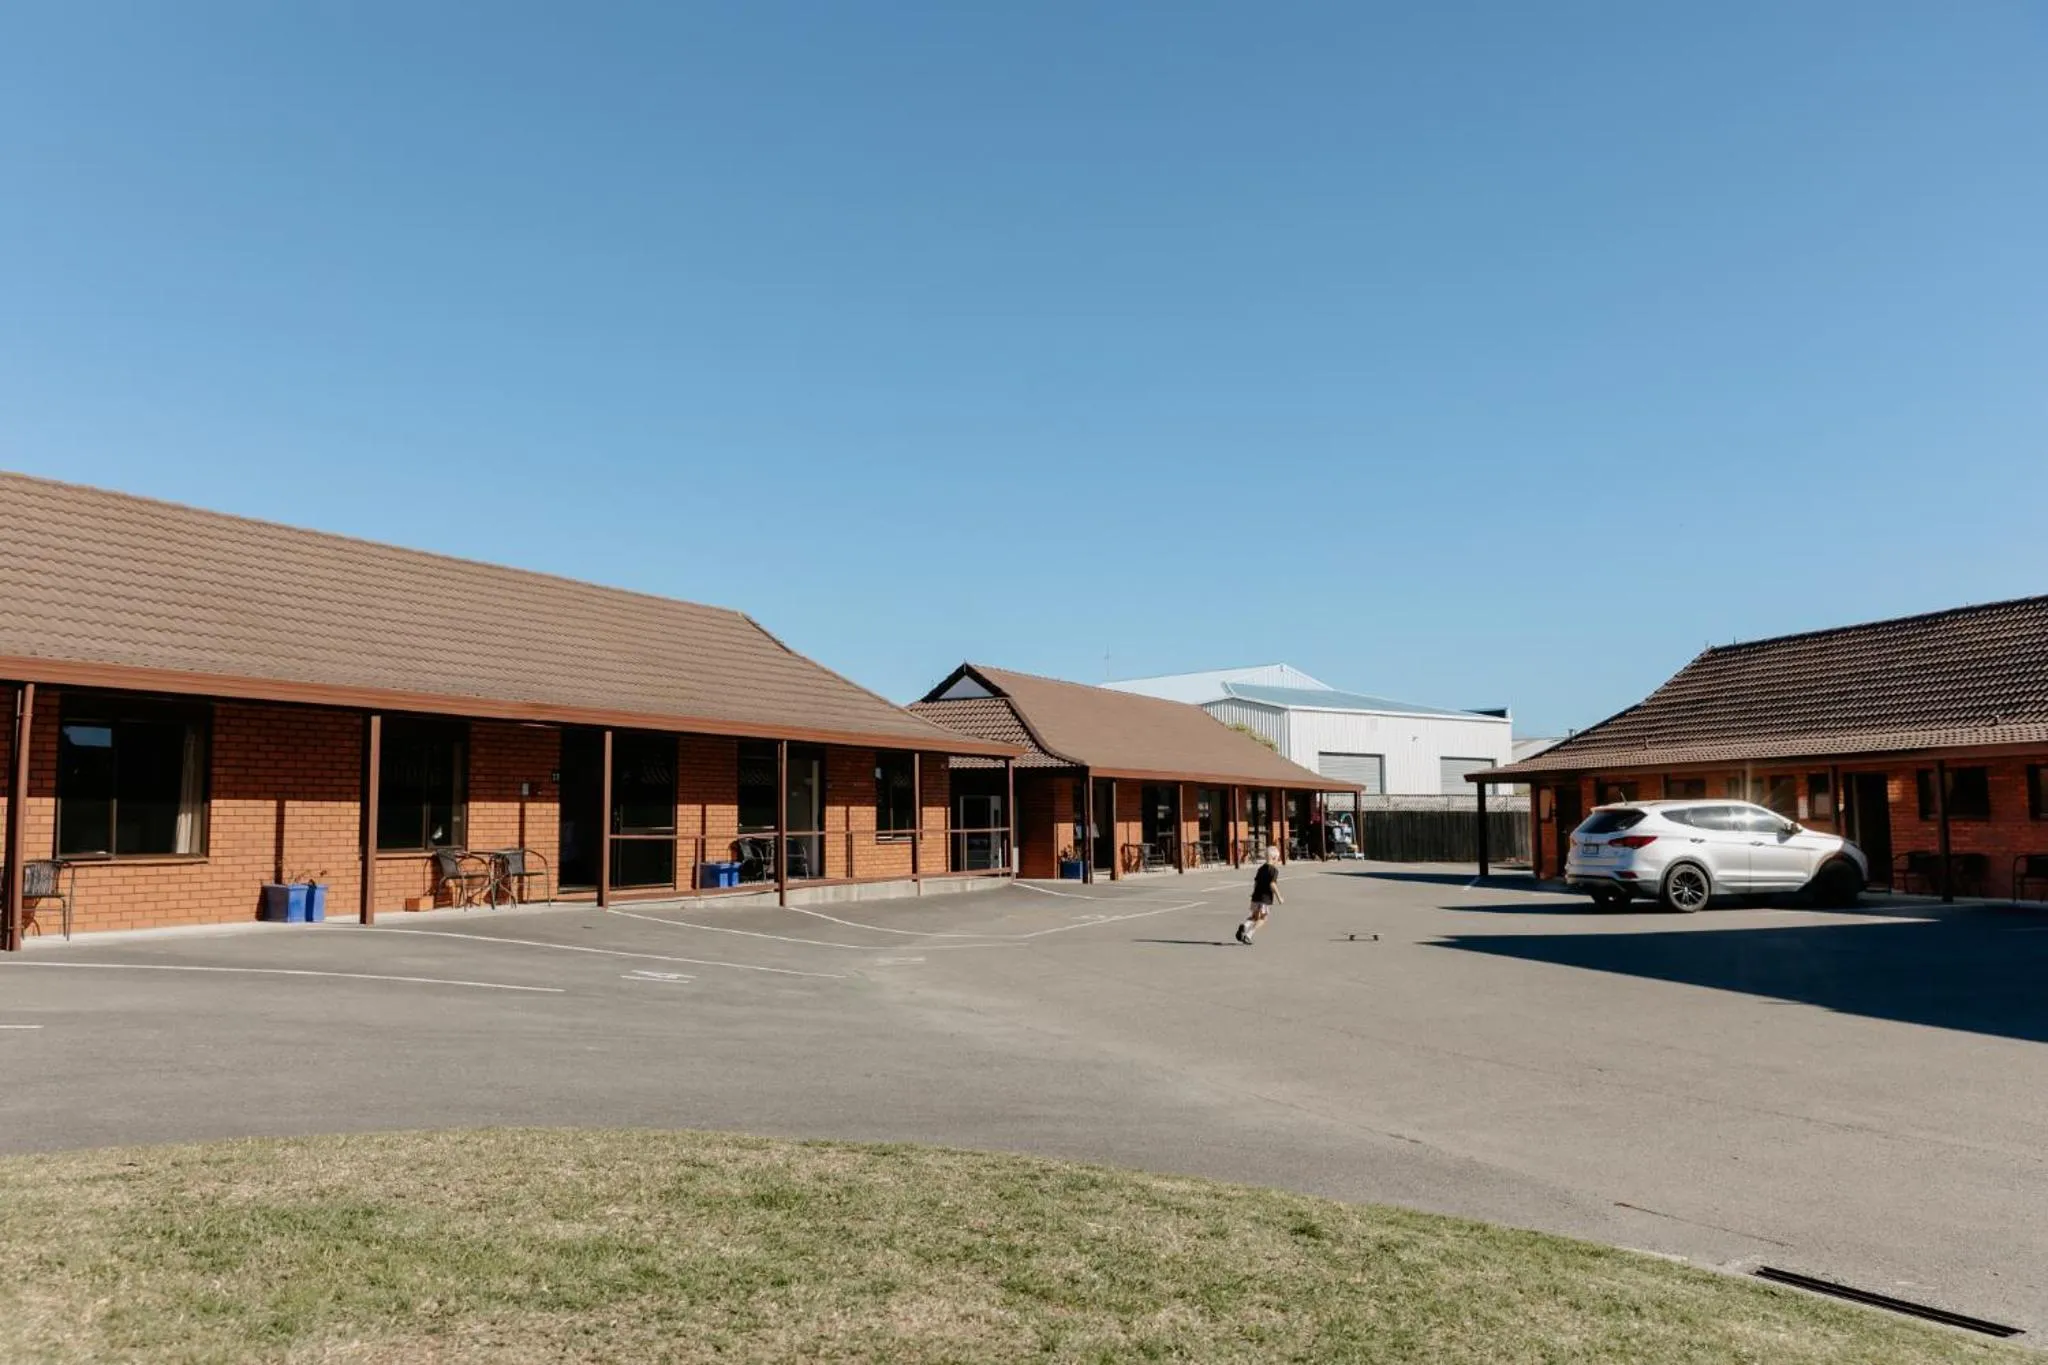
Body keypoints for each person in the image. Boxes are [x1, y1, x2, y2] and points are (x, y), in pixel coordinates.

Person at [1236, 850, 1282, 944]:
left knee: (1254, 916)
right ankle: (1249, 934)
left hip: (1256, 896)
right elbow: (1272, 884)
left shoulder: (1261, 869)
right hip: (1265, 898)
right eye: (1277, 858)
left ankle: (1245, 925)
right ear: (1274, 858)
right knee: (1263, 918)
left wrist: (1253, 892)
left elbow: (1256, 882)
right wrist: (1279, 897)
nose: (1278, 860)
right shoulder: (1274, 870)